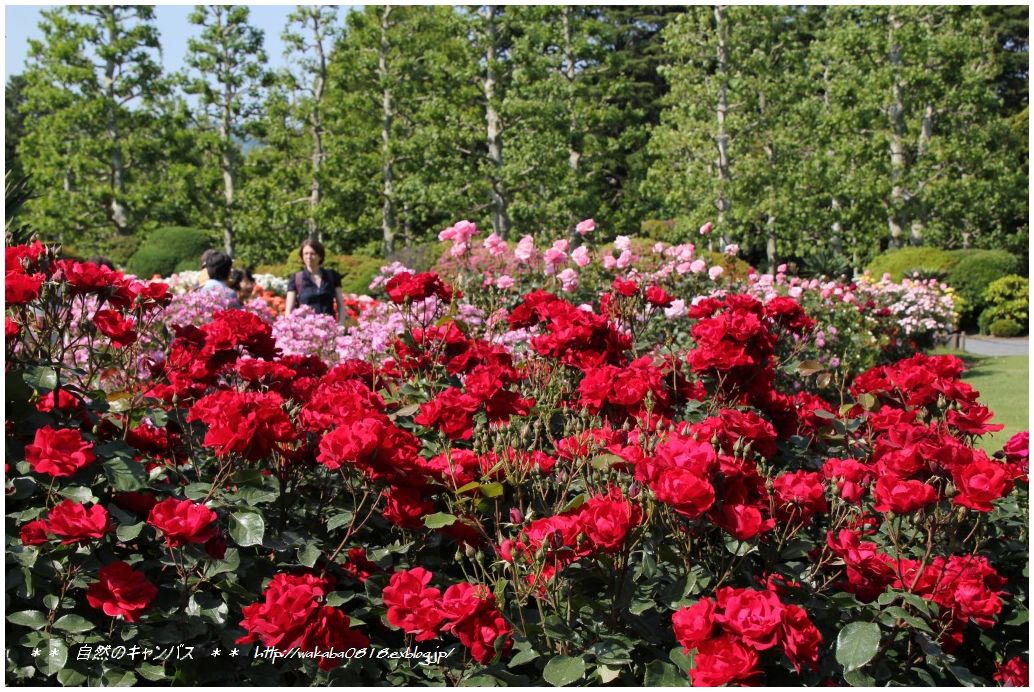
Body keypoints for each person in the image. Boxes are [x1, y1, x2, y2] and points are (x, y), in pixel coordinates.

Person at [285, 238, 346, 325]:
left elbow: (341, 306)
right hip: (305, 330)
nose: (308, 257)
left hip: (328, 328)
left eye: (312, 253)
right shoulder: (296, 278)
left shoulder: (332, 276)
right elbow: (289, 310)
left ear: (320, 256)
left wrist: (341, 325)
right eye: (305, 254)